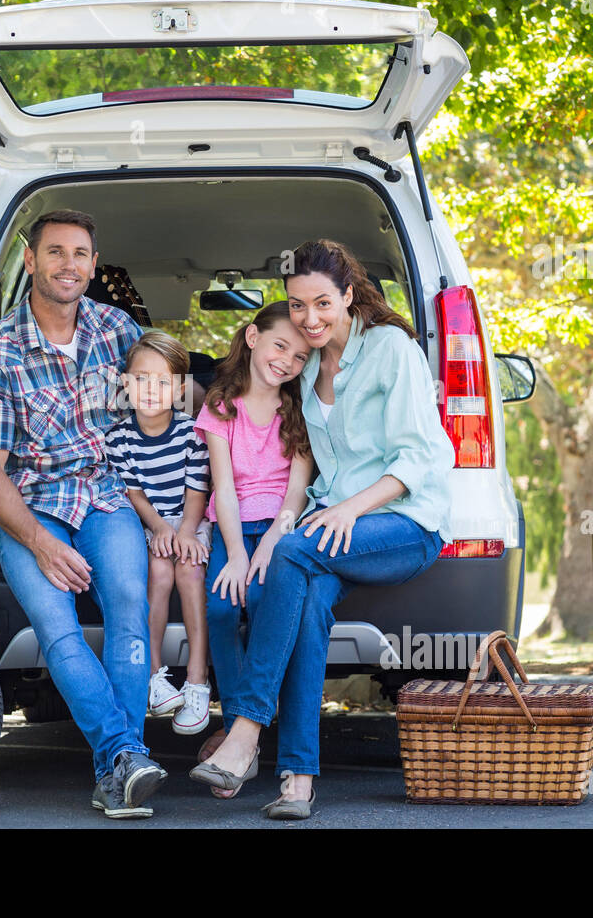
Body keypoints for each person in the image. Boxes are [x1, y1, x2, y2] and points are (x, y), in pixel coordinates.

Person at [191, 239, 455, 819]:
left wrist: (347, 510)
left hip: (403, 521)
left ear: (349, 295)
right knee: (306, 602)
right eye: (297, 304)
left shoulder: (392, 350)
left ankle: (244, 730)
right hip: (332, 525)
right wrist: (302, 513)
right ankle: (299, 778)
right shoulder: (307, 371)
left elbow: (420, 458)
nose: (309, 318)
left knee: (288, 554)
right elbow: (304, 463)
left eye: (322, 304)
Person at [0, 209, 167, 819]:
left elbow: (166, 390)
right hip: (31, 505)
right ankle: (125, 757)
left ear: (94, 265)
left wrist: (232, 391)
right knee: (58, 627)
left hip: (106, 494)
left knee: (130, 604)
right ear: (31, 261)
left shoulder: (117, 329)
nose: (68, 265)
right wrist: (43, 546)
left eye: (79, 254)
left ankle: (118, 767)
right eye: (55, 252)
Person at [193, 301, 314, 796]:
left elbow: (297, 489)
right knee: (222, 609)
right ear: (251, 338)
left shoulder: (298, 409)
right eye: (280, 345)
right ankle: (238, 729)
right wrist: (237, 552)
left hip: (279, 529)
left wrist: (270, 543)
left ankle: (245, 735)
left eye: (301, 356)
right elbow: (221, 486)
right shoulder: (220, 405)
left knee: (266, 608)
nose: (287, 361)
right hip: (231, 525)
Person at [104, 331, 213, 735]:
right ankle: (154, 679)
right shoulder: (119, 438)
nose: (152, 390)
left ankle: (198, 681)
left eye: (164, 382)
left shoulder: (190, 432)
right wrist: (160, 529)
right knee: (159, 574)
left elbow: (198, 489)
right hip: (151, 522)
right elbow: (133, 493)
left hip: (190, 519)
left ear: (181, 389)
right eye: (141, 379)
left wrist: (184, 531)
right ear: (125, 384)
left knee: (189, 572)